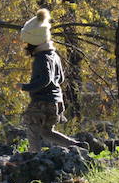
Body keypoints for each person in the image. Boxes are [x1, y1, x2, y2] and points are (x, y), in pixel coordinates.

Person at [18, 8, 82, 151]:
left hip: (42, 102)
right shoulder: (54, 56)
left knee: (32, 128)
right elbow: (60, 78)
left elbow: (45, 80)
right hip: (56, 102)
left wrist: (25, 87)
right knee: (47, 131)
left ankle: (34, 157)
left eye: (27, 43)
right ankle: (76, 146)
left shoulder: (41, 58)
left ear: (33, 42)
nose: (25, 46)